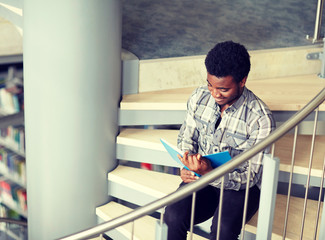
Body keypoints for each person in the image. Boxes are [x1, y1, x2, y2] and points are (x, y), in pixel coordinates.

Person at [164, 41, 276, 240]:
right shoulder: (199, 97)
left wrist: (210, 173)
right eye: (210, 85)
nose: (215, 93)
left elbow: (250, 177)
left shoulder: (260, 118)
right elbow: (186, 136)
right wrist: (189, 163)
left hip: (241, 188)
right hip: (201, 177)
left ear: (242, 81)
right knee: (172, 215)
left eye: (223, 89)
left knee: (222, 231)